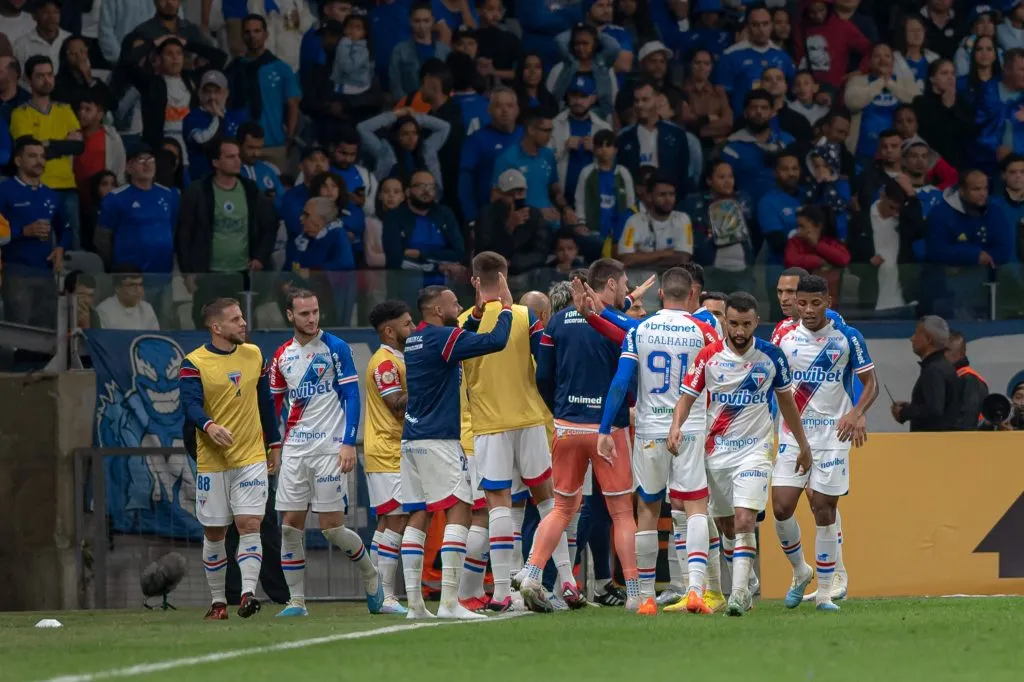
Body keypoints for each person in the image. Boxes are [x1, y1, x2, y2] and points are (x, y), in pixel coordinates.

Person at [667, 291, 812, 617]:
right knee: (727, 526)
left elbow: (788, 403)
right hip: (715, 452)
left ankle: (741, 592)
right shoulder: (708, 356)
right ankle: (752, 580)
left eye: (746, 324)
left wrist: (803, 445)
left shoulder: (772, 356)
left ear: (756, 322)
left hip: (755, 451)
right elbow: (686, 398)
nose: (740, 331)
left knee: (746, 519)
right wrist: (676, 426)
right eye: (733, 324)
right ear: (725, 322)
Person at [593, 267, 720, 616]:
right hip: (690, 426)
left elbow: (621, 381)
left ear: (661, 294)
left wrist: (605, 429)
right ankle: (695, 590)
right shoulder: (705, 331)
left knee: (647, 509)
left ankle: (646, 597)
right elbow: (721, 383)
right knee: (694, 505)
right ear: (691, 295)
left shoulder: (642, 329)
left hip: (650, 428)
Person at [458, 252, 577, 611]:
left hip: (488, 426)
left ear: (475, 280)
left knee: (499, 508)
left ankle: (500, 594)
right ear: (506, 276)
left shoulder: (463, 322)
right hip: (529, 421)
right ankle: (568, 581)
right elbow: (547, 364)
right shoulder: (526, 317)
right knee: (547, 504)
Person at [523, 259, 640, 612]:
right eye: (623, 284)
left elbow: (543, 376)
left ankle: (531, 574)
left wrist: (558, 410)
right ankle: (634, 591)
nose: (625, 291)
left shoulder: (557, 322)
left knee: (561, 507)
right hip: (608, 430)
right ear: (609, 285)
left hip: (567, 426)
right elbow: (628, 377)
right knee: (621, 512)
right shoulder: (616, 325)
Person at [400, 278, 514, 619]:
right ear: (438, 309)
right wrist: (506, 308)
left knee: (418, 514)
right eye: (453, 305)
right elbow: (495, 342)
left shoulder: (416, 338)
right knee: (460, 509)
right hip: (440, 439)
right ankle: (450, 603)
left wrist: (475, 317)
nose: (458, 309)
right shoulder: (443, 338)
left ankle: (415, 605)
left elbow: (457, 341)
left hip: (411, 439)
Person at [266, 290, 383, 617]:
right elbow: (272, 405)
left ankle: (370, 575)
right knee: (290, 527)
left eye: (315, 311)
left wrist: (348, 442)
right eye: (304, 313)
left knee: (333, 528)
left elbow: (351, 396)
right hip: (294, 452)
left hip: (329, 450)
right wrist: (273, 446)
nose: (312, 318)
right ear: (290, 315)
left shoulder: (336, 348)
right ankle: (297, 602)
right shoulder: (281, 357)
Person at [771, 274, 878, 613]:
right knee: (781, 506)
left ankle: (826, 594)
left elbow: (871, 382)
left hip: (833, 437)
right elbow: (776, 386)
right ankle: (801, 570)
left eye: (815, 303)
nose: (808, 309)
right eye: (802, 303)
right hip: (793, 436)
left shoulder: (848, 338)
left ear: (828, 302)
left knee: (823, 510)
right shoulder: (785, 338)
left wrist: (857, 413)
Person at [179, 297, 282, 620]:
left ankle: (248, 594)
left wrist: (274, 443)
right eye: (236, 319)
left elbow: (265, 402)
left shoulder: (254, 356)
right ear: (216, 327)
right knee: (215, 533)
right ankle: (217, 601)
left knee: (250, 523)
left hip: (250, 456)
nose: (243, 324)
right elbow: (190, 405)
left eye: (242, 318)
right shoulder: (194, 362)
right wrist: (209, 426)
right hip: (213, 460)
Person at [176, 137, 278, 328]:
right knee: (205, 325)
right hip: (208, 275)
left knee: (242, 327)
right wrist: (188, 272)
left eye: (238, 156)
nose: (237, 161)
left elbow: (270, 224)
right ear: (215, 162)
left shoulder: (249, 189)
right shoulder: (198, 191)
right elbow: (184, 233)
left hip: (241, 274)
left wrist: (260, 258)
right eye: (230, 157)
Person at [363, 300, 417, 614]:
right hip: (386, 449)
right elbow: (396, 404)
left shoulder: (397, 358)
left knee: (387, 521)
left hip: (391, 449)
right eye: (407, 324)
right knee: (396, 519)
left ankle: (377, 595)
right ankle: (385, 596)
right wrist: (427, 384)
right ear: (389, 330)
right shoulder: (384, 362)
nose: (413, 328)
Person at [10, 56, 83, 249]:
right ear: (29, 80)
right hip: (37, 187)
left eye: (50, 74)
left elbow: (78, 147)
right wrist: (62, 144)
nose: (47, 80)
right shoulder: (20, 114)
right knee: (40, 244)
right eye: (40, 76)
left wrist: (48, 143)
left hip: (67, 185)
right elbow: (28, 151)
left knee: (72, 246)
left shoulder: (65, 109)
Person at [0, 136, 68, 327]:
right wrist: (23, 231)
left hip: (46, 273)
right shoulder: (4, 191)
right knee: (21, 334)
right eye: (32, 156)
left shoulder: (51, 194)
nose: (39, 161)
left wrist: (61, 248)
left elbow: (66, 229)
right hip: (15, 271)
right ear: (18, 160)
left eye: (42, 156)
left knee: (47, 334)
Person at [925, 170, 1013, 318]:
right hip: (946, 292)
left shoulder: (995, 212)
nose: (982, 194)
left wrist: (963, 260)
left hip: (986, 290)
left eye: (985, 188)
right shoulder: (940, 214)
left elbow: (1004, 251)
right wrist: (974, 255)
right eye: (976, 189)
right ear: (962, 190)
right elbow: (936, 250)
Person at [225, 14, 301, 173]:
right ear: (242, 35)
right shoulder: (234, 68)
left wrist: (289, 138)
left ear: (266, 34)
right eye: (247, 32)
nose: (252, 35)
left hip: (274, 143)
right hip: (242, 146)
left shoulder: (281, 68)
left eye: (257, 31)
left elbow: (293, 103)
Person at [95, 144, 178, 283]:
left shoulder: (168, 194)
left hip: (163, 275)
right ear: (129, 167)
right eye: (141, 160)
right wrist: (117, 268)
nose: (147, 164)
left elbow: (172, 229)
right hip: (130, 278)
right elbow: (102, 240)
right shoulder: (116, 198)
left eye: (151, 160)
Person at [847, 175, 925, 314]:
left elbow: (919, 230)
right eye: (891, 207)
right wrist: (868, 261)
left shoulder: (904, 220)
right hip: (872, 299)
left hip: (903, 301)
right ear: (883, 195)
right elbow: (851, 254)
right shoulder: (861, 220)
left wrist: (912, 195)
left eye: (898, 209)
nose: (894, 213)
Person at [617, 81, 699, 204]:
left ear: (657, 99)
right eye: (636, 100)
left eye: (645, 100)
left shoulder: (677, 135)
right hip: (635, 204)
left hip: (671, 205)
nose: (640, 105)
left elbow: (685, 175)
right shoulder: (623, 138)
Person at [492, 108, 576, 224]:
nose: (550, 135)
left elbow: (555, 189)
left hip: (552, 224)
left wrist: (566, 208)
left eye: (551, 130)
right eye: (546, 131)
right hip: (525, 227)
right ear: (531, 130)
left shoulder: (548, 155)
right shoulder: (508, 159)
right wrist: (536, 212)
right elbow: (496, 197)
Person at [844, 43, 919, 162]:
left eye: (887, 56)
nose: (882, 59)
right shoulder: (857, 81)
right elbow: (852, 103)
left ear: (893, 61)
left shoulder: (905, 82)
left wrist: (889, 83)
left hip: (899, 155)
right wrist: (880, 82)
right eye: (877, 56)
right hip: (862, 153)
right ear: (869, 61)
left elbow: (917, 103)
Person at [382, 169, 465, 277]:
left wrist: (421, 254)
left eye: (431, 187)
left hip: (444, 283)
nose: (426, 191)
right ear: (408, 191)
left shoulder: (445, 214)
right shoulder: (394, 217)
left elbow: (459, 253)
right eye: (421, 186)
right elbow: (395, 260)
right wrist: (437, 267)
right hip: (404, 283)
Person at [715, 5, 795, 115]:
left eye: (765, 24)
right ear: (747, 27)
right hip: (743, 122)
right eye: (755, 25)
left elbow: (793, 89)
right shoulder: (730, 55)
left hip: (778, 123)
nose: (761, 29)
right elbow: (721, 92)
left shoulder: (782, 55)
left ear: (771, 25)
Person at [458, 86, 522, 223]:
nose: (504, 111)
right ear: (489, 110)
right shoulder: (476, 140)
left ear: (517, 110)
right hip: (490, 217)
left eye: (509, 106)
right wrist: (472, 219)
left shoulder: (527, 136)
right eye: (498, 106)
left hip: (526, 214)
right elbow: (465, 184)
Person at [722, 89, 795, 208]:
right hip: (748, 212)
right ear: (745, 113)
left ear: (772, 113)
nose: (759, 112)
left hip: (787, 209)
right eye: (753, 108)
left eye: (764, 108)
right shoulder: (732, 147)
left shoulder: (788, 141)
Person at [475, 169, 554, 277]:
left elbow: (540, 253)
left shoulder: (534, 216)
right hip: (494, 273)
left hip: (527, 272)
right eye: (510, 194)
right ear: (500, 194)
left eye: (520, 192)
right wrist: (509, 228)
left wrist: (513, 263)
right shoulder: (487, 215)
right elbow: (483, 251)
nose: (516, 198)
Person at [891, 315, 960, 432]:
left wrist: (905, 412)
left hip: (932, 445)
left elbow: (934, 410)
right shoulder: (945, 367)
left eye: (916, 334)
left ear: (928, 339)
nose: (911, 339)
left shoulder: (934, 370)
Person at [356, 107, 451, 191]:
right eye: (405, 134)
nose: (411, 138)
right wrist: (396, 115)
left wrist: (415, 118)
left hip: (424, 203)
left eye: (415, 133)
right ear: (396, 136)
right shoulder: (384, 151)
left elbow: (444, 127)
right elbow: (362, 128)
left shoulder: (426, 150)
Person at [552, 76, 612, 207]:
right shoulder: (554, 125)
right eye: (574, 95)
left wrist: (597, 151)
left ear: (593, 98)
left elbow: (612, 165)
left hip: (594, 199)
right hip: (559, 200)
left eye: (583, 96)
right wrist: (564, 148)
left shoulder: (604, 128)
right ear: (567, 96)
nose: (577, 101)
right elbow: (544, 162)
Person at [574, 129, 635, 252]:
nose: (604, 149)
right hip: (594, 231)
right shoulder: (587, 173)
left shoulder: (623, 173)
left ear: (615, 150)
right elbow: (579, 200)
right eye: (600, 146)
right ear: (594, 150)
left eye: (608, 145)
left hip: (619, 232)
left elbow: (630, 204)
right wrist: (581, 222)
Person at [617, 172, 693, 269]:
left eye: (671, 194)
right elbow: (626, 259)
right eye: (662, 195)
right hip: (640, 280)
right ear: (649, 196)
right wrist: (666, 253)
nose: (668, 199)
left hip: (672, 279)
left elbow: (683, 258)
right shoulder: (633, 222)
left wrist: (641, 256)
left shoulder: (683, 219)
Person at [184, 70, 245, 183]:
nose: (212, 97)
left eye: (217, 92)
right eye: (207, 92)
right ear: (199, 93)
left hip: (233, 180)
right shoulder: (192, 118)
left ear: (226, 93)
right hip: (202, 180)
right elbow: (202, 141)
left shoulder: (237, 117)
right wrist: (217, 119)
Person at [914, 59, 973, 172]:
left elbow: (968, 132)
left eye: (952, 73)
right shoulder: (921, 103)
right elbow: (932, 134)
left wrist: (952, 108)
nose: (950, 77)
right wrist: (946, 108)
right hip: (930, 165)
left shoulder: (962, 103)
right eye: (944, 73)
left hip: (958, 165)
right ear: (932, 78)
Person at [783, 204, 851, 304]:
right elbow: (790, 261)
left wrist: (817, 245)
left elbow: (844, 259)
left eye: (802, 226)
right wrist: (820, 261)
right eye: (798, 226)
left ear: (817, 226)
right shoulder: (795, 242)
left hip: (828, 302)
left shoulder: (830, 242)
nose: (798, 230)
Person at [389, 2, 451, 101]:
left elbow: (449, 85)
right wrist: (408, 104)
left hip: (438, 108)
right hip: (409, 108)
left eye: (426, 21)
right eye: (417, 21)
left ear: (433, 21)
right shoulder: (399, 50)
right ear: (410, 21)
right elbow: (395, 84)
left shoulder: (445, 51)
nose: (422, 26)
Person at [680, 49, 733, 147]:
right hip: (691, 145)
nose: (702, 67)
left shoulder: (719, 91)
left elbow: (728, 123)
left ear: (711, 67)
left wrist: (701, 129)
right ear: (690, 65)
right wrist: (710, 119)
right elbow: (686, 122)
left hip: (718, 146)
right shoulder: (681, 91)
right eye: (697, 63)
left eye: (706, 63)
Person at [945, 330, 988, 431]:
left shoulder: (969, 379)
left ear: (958, 353)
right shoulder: (955, 377)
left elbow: (967, 420)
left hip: (963, 443)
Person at [12, 0, 69, 76]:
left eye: (55, 12)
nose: (51, 17)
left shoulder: (70, 40)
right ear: (34, 16)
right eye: (45, 12)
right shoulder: (21, 45)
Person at [95, 267, 160, 330]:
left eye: (140, 284)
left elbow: (154, 337)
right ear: (117, 288)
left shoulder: (147, 308)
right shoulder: (104, 311)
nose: (138, 290)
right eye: (132, 285)